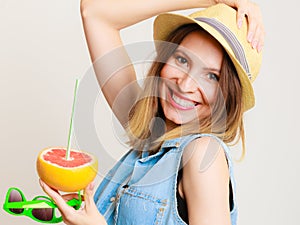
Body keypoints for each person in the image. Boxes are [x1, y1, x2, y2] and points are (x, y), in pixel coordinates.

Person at [39, 0, 264, 224]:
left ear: (227, 96)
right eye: (182, 59)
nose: (185, 85)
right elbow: (95, 12)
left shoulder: (202, 154)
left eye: (211, 76)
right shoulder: (149, 132)